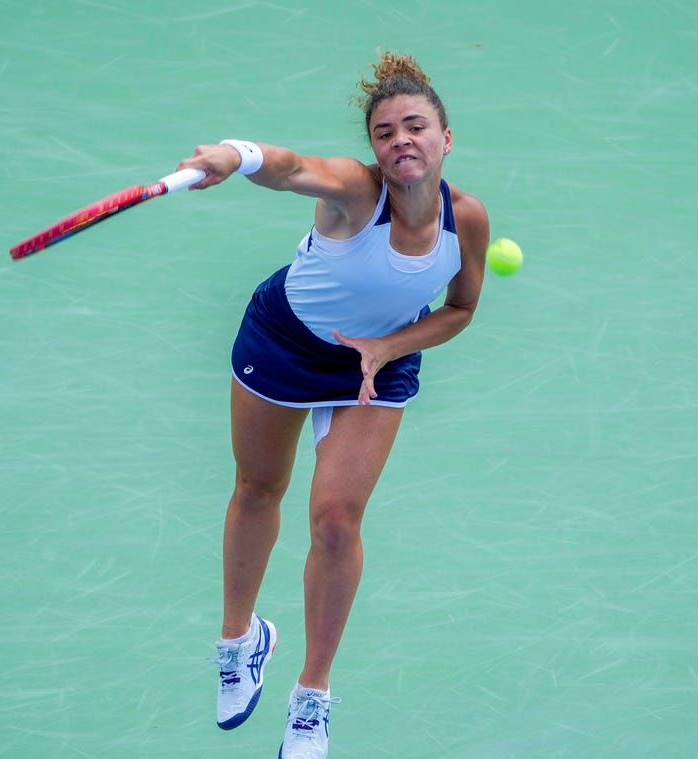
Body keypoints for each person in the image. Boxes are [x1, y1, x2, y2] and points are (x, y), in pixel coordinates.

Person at [176, 51, 489, 758]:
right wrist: (237, 153)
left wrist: (388, 346)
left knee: (336, 523)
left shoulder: (465, 219)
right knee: (258, 487)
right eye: (385, 131)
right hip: (286, 340)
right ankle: (240, 638)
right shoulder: (355, 188)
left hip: (377, 364)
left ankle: (310, 699)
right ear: (374, 147)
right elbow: (288, 167)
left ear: (446, 138)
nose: (400, 139)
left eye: (415, 126)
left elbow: (460, 309)